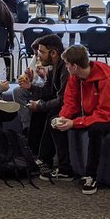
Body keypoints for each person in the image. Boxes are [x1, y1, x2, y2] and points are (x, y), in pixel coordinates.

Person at [53, 44, 110, 196]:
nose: (66, 67)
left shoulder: (105, 81)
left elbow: (105, 113)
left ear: (75, 66)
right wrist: (64, 118)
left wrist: (76, 122)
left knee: (96, 129)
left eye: (68, 65)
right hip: (92, 113)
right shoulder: (75, 78)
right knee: (55, 122)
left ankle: (91, 176)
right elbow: (71, 102)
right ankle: (65, 168)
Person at [12, 34, 73, 178]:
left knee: (51, 113)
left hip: (74, 106)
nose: (38, 56)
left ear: (53, 53)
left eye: (41, 52)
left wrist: (41, 105)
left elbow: (63, 99)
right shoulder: (54, 66)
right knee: (40, 109)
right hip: (63, 102)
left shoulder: (65, 68)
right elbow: (48, 90)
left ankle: (51, 162)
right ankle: (37, 154)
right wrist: (30, 87)